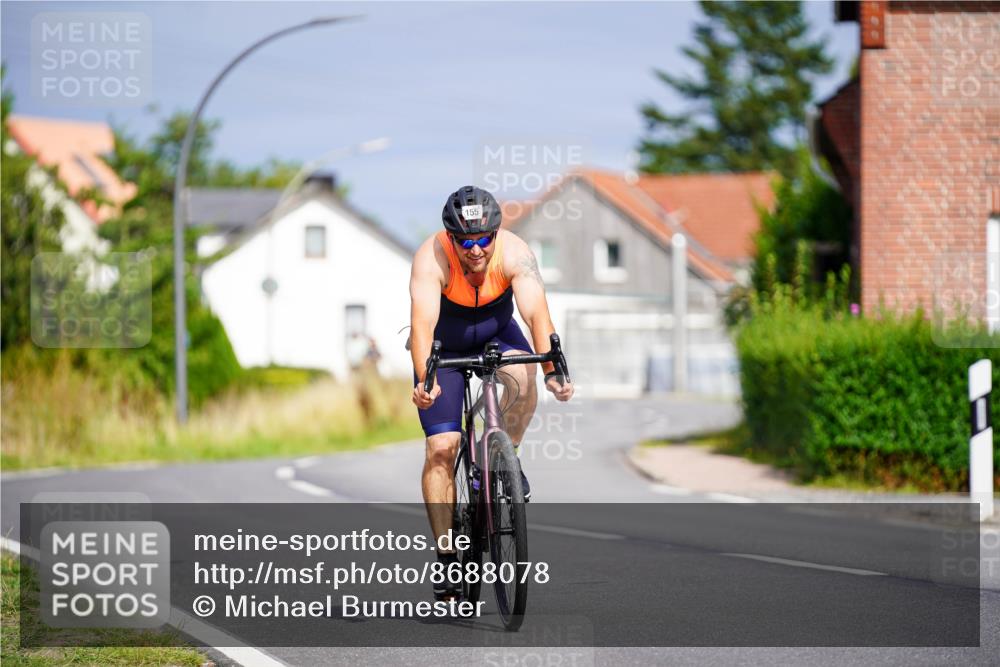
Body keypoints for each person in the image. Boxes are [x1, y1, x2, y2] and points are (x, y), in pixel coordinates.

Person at [409, 185, 574, 601]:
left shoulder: (516, 253)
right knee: (442, 447)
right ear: (451, 237)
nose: (476, 249)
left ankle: (505, 458)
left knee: (524, 378)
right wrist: (424, 382)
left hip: (497, 335)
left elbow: (537, 314)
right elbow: (423, 326)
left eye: (484, 239)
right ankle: (447, 556)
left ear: (496, 234)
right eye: (466, 241)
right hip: (443, 346)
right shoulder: (431, 259)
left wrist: (553, 370)